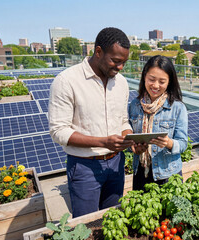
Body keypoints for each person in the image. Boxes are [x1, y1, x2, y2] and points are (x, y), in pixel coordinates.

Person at [48, 27, 138, 218]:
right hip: (84, 167)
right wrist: (103, 142)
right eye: (115, 61)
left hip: (116, 164)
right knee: (86, 226)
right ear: (98, 52)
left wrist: (129, 137)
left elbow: (122, 120)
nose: (120, 67)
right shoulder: (67, 81)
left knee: (112, 220)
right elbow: (59, 131)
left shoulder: (121, 83)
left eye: (124, 62)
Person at [128, 55, 188, 191]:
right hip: (141, 172)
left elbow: (183, 143)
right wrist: (133, 147)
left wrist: (168, 143)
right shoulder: (134, 105)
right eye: (151, 79)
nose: (155, 85)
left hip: (168, 174)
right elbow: (129, 138)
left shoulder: (177, 108)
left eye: (162, 81)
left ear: (169, 82)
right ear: (144, 77)